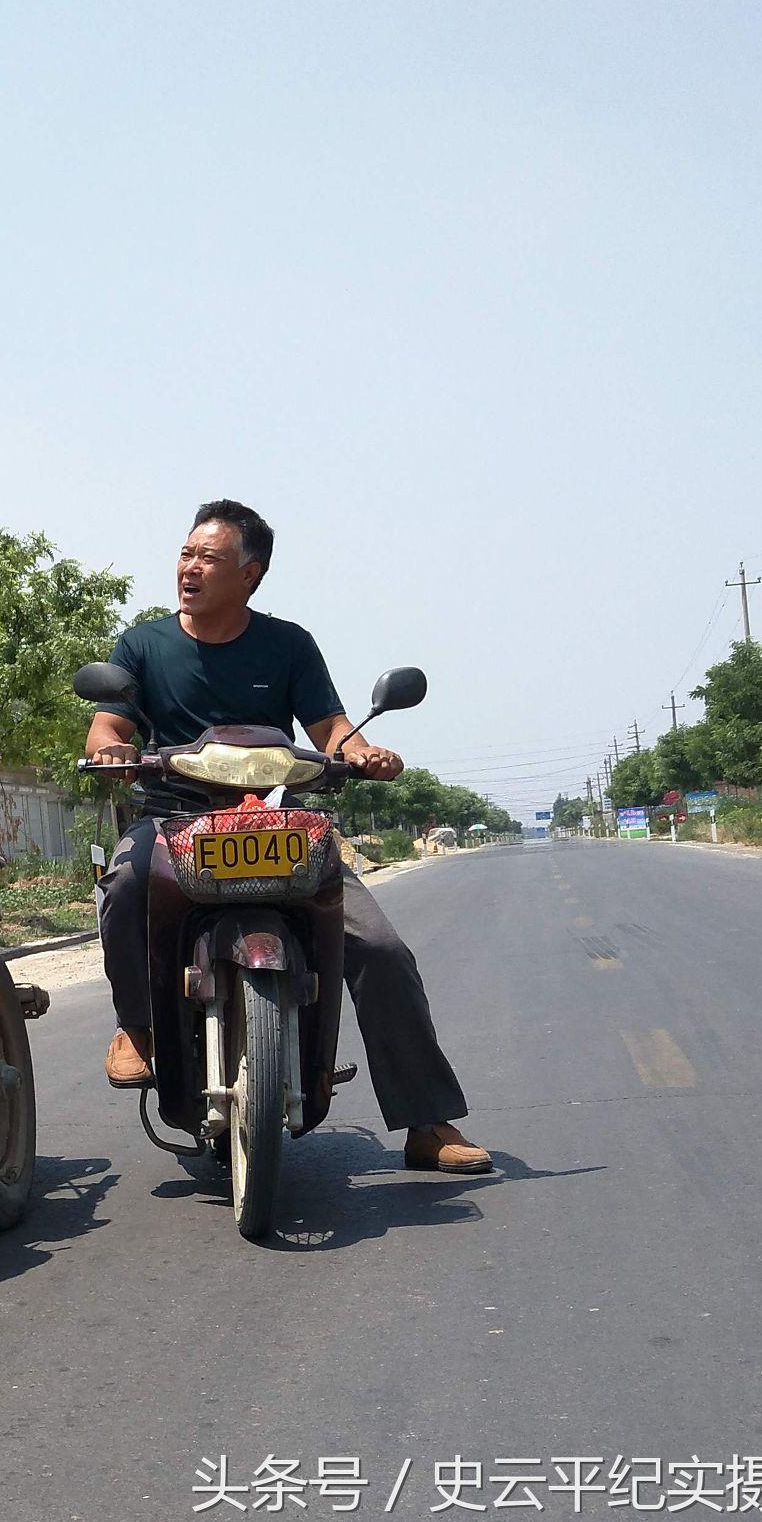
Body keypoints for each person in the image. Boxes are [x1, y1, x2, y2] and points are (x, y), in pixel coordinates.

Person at [86, 500, 492, 1174]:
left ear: (250, 574)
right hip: (171, 818)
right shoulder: (142, 644)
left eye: (207, 558)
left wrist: (363, 751)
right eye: (185, 553)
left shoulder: (288, 645)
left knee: (382, 949)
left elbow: (331, 729)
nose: (188, 567)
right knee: (123, 887)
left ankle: (427, 1122)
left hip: (273, 822)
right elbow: (108, 725)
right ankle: (137, 1027)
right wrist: (107, 748)